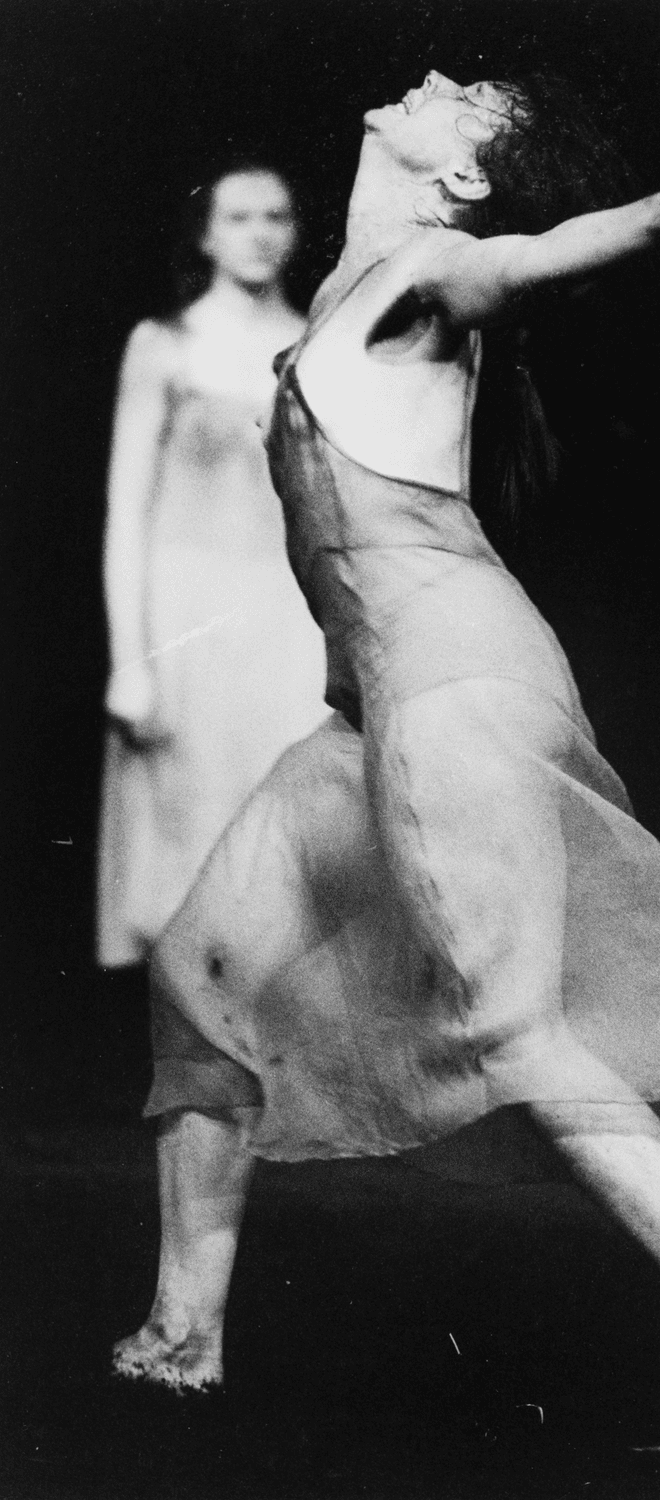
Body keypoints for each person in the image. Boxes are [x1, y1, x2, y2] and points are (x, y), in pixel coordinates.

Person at [112, 73, 660, 1452]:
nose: (430, 79)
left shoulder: (438, 264)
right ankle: (184, 1335)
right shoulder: (344, 288)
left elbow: (531, 260)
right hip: (375, 700)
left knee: (509, 1021)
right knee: (200, 972)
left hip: (457, 677)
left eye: (470, 100)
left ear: (466, 176)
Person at [98, 164, 328, 968]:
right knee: (194, 837)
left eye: (276, 215)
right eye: (237, 217)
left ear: (297, 231)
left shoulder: (313, 346)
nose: (259, 233)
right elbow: (126, 511)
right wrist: (132, 663)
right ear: (206, 233)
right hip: (189, 619)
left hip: (288, 620)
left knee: (289, 838)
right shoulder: (165, 346)